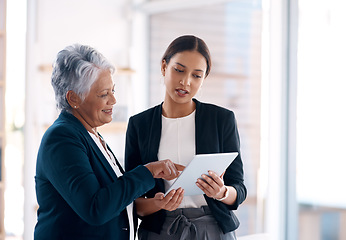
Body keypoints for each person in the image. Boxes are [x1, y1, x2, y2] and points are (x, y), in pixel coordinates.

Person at [34, 44, 184, 240]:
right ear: (73, 98)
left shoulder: (91, 135)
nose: (113, 100)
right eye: (104, 94)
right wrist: (148, 171)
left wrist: (156, 203)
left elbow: (113, 200)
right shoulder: (62, 138)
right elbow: (96, 209)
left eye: (113, 90)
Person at [125, 35, 247, 240]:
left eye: (196, 75)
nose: (185, 81)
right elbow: (130, 197)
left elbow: (239, 189)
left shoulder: (222, 119)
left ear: (203, 80)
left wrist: (221, 192)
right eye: (179, 70)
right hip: (159, 230)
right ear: (164, 67)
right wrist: (158, 203)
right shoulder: (140, 125)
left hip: (212, 229)